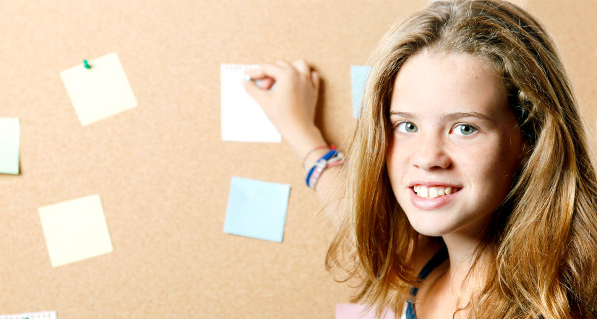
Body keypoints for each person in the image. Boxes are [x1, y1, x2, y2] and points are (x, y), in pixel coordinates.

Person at [243, 0, 597, 318]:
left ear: (529, 141)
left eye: (464, 128)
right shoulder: (425, 268)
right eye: (407, 125)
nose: (427, 158)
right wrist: (301, 131)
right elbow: (353, 210)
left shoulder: (558, 308)